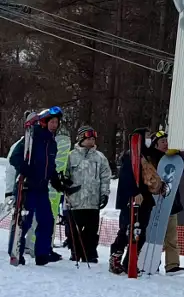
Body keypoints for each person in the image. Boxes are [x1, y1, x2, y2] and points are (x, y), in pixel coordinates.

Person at [9, 107, 69, 266]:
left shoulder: (52, 143)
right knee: (25, 221)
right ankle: (17, 252)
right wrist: (25, 168)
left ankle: (42, 253)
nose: (55, 125)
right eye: (52, 122)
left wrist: (56, 181)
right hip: (28, 186)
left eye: (57, 122)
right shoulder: (32, 136)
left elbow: (50, 167)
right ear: (44, 122)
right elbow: (14, 158)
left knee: (47, 220)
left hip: (42, 188)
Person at [108, 128, 164, 274]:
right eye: (146, 136)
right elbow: (127, 177)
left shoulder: (148, 155)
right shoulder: (131, 155)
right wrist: (134, 192)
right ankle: (115, 258)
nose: (149, 139)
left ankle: (130, 262)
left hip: (146, 200)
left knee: (141, 232)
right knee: (126, 230)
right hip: (131, 200)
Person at [62, 125, 112, 263]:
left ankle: (90, 253)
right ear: (81, 139)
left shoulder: (100, 157)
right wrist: (65, 183)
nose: (91, 141)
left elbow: (105, 177)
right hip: (75, 201)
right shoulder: (70, 156)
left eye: (93, 139)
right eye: (89, 138)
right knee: (74, 229)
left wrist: (104, 194)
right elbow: (64, 174)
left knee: (91, 230)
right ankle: (75, 251)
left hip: (93, 201)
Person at [147, 128, 184, 274]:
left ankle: (172, 265)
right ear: (155, 144)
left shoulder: (174, 159)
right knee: (154, 234)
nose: (166, 144)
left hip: (171, 203)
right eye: (162, 141)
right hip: (153, 204)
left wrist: (179, 154)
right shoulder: (150, 158)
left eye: (167, 141)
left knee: (171, 237)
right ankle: (152, 261)